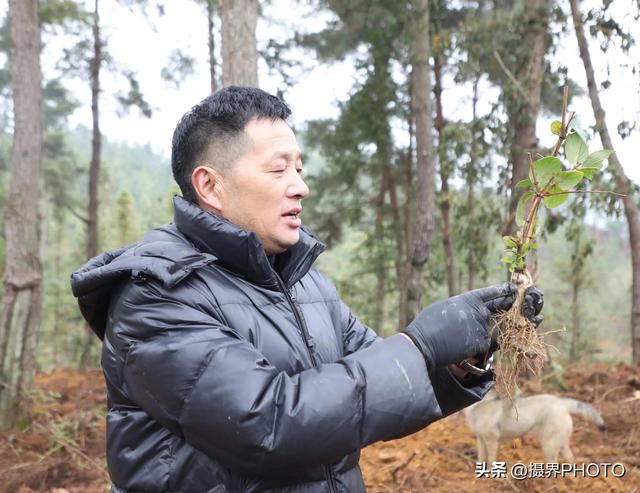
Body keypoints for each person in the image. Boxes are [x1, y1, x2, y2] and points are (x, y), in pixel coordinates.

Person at [70, 86, 543, 493]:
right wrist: (419, 347)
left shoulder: (304, 282)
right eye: (279, 171)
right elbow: (267, 425)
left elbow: (375, 393)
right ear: (210, 187)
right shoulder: (155, 295)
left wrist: (460, 357)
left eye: (300, 168)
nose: (301, 187)